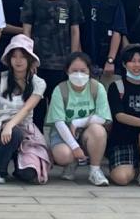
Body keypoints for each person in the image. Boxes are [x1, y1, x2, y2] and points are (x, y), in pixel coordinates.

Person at [22, 0, 82, 128]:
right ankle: (36, 140)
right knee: (37, 109)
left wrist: (73, 60)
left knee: (62, 108)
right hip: (38, 63)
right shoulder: (32, 0)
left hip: (62, 64)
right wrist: (29, 58)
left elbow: (75, 30)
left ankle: (64, 141)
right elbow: (26, 31)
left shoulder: (70, 0)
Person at [0, 35, 48, 184]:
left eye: (23, 57)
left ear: (30, 59)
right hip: (2, 128)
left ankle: (19, 166)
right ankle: (0, 170)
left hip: (27, 130)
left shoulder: (38, 83)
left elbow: (27, 109)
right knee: (14, 133)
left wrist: (11, 124)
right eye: (14, 56)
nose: (18, 61)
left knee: (30, 175)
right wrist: (3, 122)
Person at [46, 52, 110, 186]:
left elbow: (103, 118)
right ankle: (71, 163)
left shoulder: (97, 88)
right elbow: (59, 122)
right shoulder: (60, 89)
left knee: (98, 131)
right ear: (67, 71)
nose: (79, 75)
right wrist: (74, 147)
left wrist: (77, 122)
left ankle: (95, 170)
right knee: (64, 155)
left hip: (86, 133)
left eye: (83, 70)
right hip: (63, 134)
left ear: (89, 71)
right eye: (74, 71)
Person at [106, 44, 140, 187]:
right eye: (132, 61)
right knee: (121, 178)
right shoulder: (117, 86)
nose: (137, 65)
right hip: (122, 140)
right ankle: (135, 167)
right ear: (125, 64)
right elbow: (119, 115)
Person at [77, 0, 126, 79]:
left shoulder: (115, 1)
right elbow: (75, 31)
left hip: (108, 63)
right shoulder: (78, 1)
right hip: (83, 62)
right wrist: (80, 59)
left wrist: (110, 59)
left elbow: (117, 31)